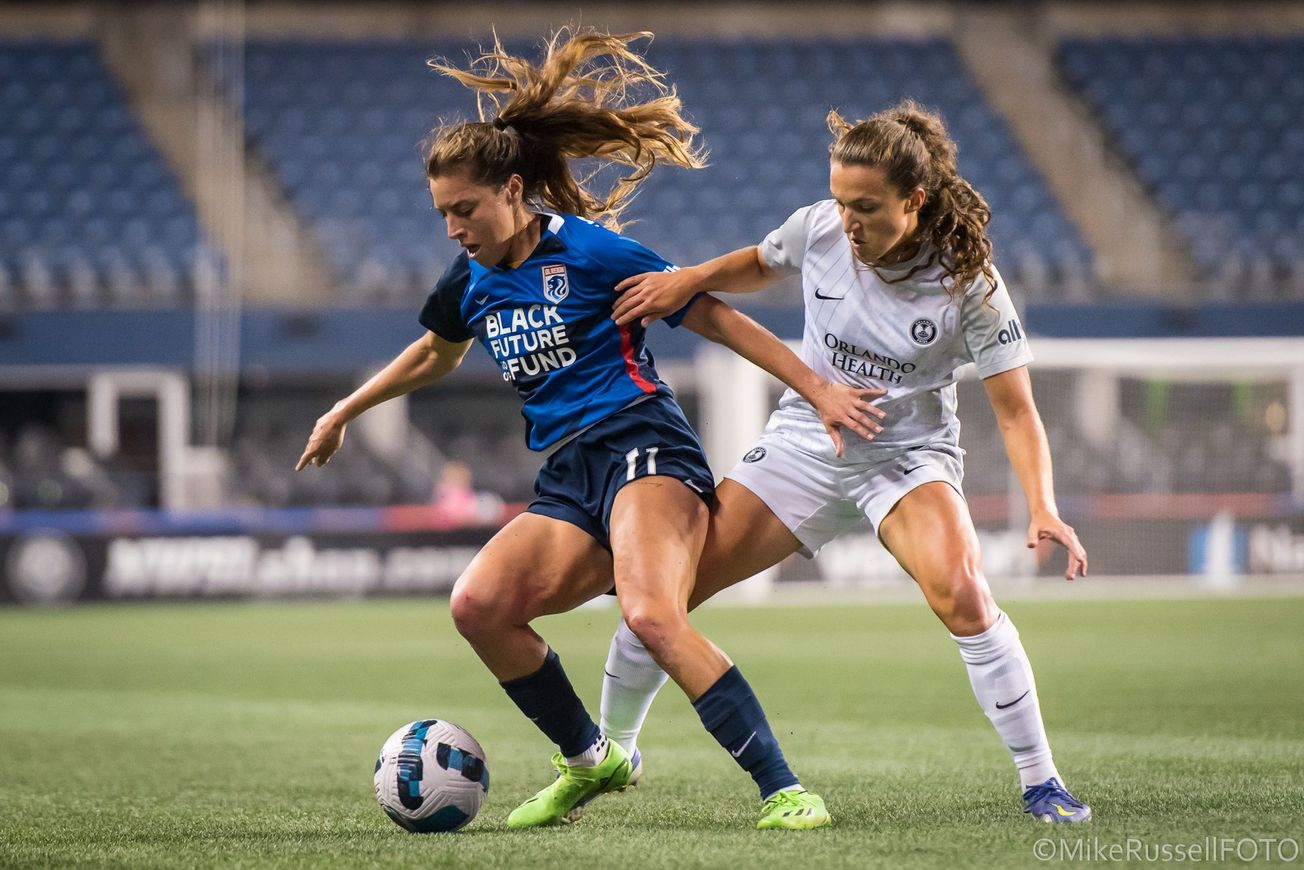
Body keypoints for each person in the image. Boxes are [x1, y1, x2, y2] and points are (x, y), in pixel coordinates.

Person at [296, 29, 884, 830]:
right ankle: (593, 758)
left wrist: (816, 388)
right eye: (441, 215)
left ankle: (784, 788)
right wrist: (343, 411)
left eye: (463, 209)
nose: (453, 229)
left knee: (649, 615)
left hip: (644, 444)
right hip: (570, 473)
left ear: (511, 190)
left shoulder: (593, 252)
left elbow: (710, 314)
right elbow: (433, 354)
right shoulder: (468, 279)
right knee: (477, 606)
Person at [599, 99, 1093, 824]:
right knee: (661, 599)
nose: (847, 221)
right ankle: (613, 748)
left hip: (905, 456)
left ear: (914, 201)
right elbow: (758, 263)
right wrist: (687, 279)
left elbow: (1016, 411)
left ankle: (1042, 781)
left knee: (962, 592)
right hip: (805, 440)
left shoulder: (971, 286)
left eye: (865, 207)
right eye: (839, 201)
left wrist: (1043, 504)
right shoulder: (820, 228)